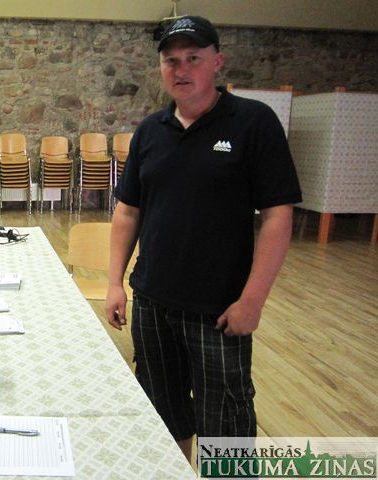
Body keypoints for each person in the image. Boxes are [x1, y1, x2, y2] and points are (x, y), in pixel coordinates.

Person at [105, 16, 302, 460]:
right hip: (152, 303)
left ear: (217, 61)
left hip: (219, 309)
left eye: (193, 58)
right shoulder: (150, 130)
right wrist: (115, 282)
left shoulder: (253, 122)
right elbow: (128, 210)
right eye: (171, 61)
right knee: (163, 413)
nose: (181, 69)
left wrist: (253, 300)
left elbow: (277, 216)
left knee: (226, 425)